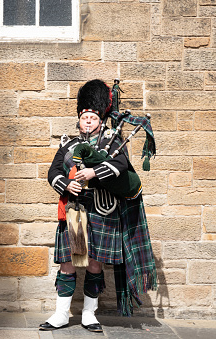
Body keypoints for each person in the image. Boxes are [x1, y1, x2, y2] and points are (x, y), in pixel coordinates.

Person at [40, 79, 157, 332]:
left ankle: (89, 314)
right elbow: (53, 172)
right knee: (70, 261)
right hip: (76, 212)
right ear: (79, 121)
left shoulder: (113, 142)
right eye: (85, 118)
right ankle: (61, 313)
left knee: (94, 262)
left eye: (93, 117)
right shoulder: (68, 145)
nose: (89, 121)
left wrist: (94, 173)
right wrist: (65, 185)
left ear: (101, 120)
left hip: (103, 212)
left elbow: (122, 166)